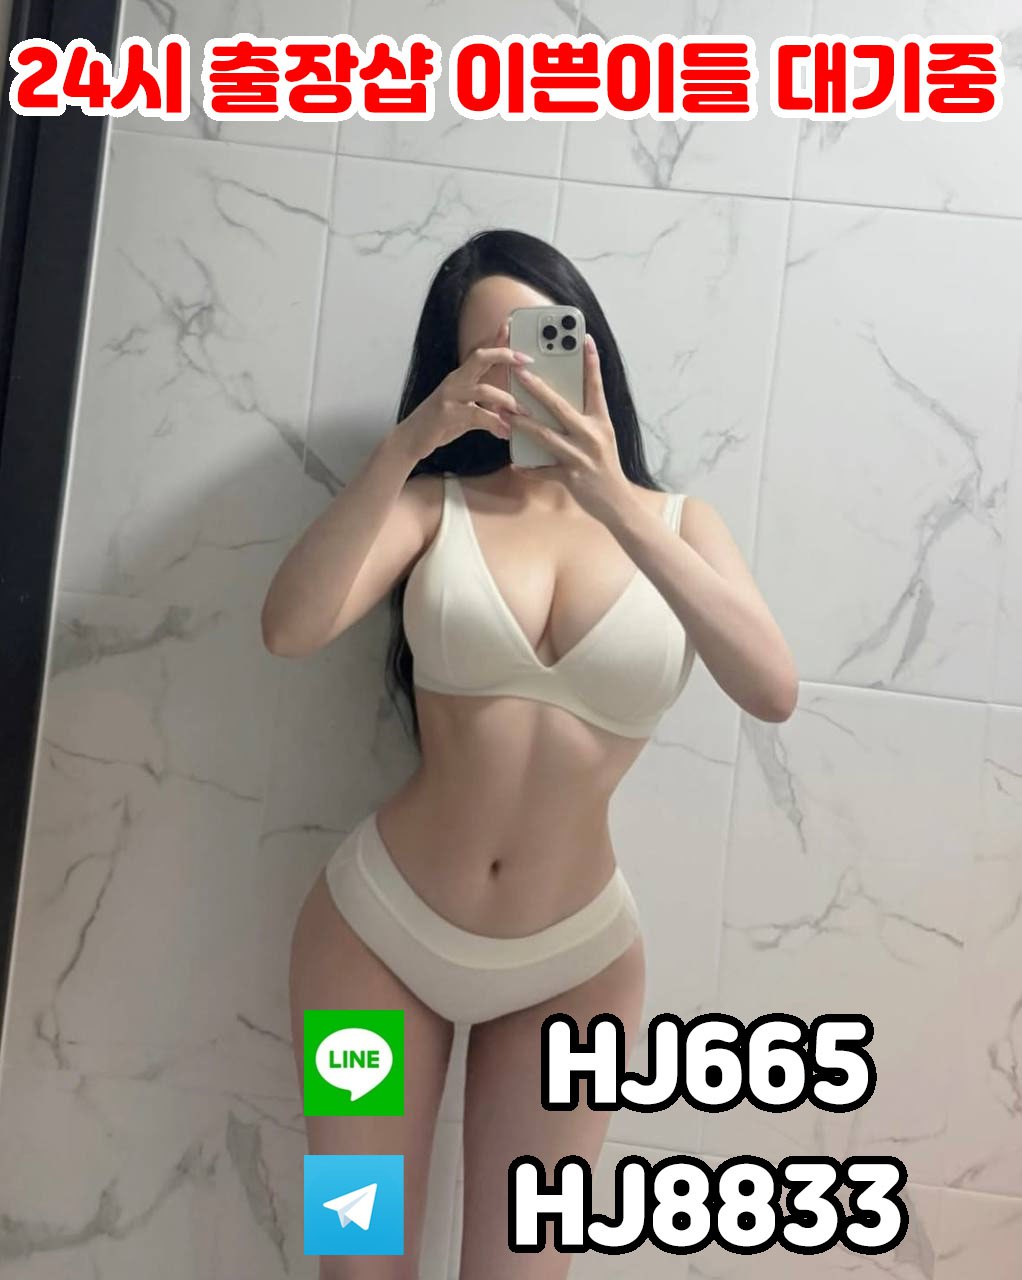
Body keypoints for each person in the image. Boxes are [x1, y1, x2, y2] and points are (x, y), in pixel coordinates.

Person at [262, 228, 798, 1279]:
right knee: (354, 1258)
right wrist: (407, 445)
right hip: (372, 942)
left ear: (587, 347)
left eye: (537, 341)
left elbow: (770, 688)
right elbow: (289, 626)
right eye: (487, 358)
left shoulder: (681, 524)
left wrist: (613, 498)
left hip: (573, 968)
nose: (519, 375)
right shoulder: (431, 505)